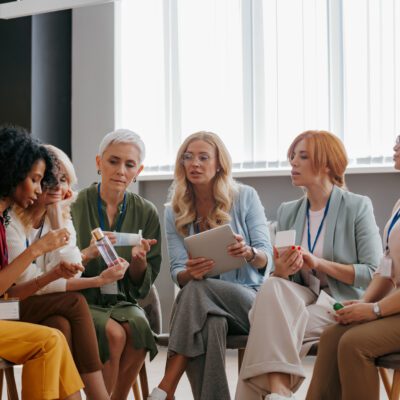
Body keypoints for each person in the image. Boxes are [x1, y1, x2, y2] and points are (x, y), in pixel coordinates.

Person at [235, 130, 383, 400]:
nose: (293, 163)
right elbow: (283, 278)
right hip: (302, 295)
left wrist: (319, 263)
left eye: (302, 157)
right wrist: (282, 269)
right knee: (271, 287)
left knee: (266, 327)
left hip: (339, 301)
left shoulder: (357, 206)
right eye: (292, 156)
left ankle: (277, 391)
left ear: (326, 163)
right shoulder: (288, 210)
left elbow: (372, 273)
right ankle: (279, 391)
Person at [148, 131, 273, 400]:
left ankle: (166, 386)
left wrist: (249, 252)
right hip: (204, 309)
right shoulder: (174, 211)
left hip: (249, 301)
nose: (195, 163)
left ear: (219, 164)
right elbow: (178, 272)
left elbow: (267, 257)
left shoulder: (245, 197)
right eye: (188, 157)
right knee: (208, 321)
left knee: (195, 292)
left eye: (204, 157)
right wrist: (188, 273)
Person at [7, 145, 120, 399]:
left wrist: (56, 216)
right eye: (52, 180)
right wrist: (90, 279)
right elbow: (24, 281)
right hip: (12, 303)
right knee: (74, 303)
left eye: (65, 180)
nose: (61, 188)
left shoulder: (60, 217)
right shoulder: (11, 220)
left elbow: (72, 272)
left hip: (40, 304)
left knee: (59, 326)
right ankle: (98, 396)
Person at [305, 134, 400, 400]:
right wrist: (362, 304)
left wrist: (376, 310)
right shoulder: (399, 205)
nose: (395, 145)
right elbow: (386, 268)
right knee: (333, 333)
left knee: (354, 343)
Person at [71, 129, 161, 398]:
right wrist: (88, 252)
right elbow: (57, 265)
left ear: (139, 170)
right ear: (99, 163)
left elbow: (141, 284)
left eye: (129, 164)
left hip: (121, 300)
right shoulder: (74, 205)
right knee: (114, 335)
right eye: (113, 161)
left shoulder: (146, 212)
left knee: (138, 328)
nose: (121, 170)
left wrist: (138, 261)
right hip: (81, 296)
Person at [0, 125, 83, 400]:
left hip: (5, 311)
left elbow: (9, 292)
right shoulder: (8, 223)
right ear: (13, 173)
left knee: (55, 334)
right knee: (50, 339)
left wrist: (52, 269)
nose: (39, 189)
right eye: (34, 180)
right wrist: (35, 251)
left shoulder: (3, 220)